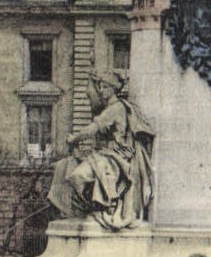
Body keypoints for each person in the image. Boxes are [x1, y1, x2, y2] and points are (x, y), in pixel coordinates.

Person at [49, 74, 155, 232]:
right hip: (103, 153)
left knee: (78, 175)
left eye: (104, 87)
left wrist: (74, 138)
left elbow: (92, 129)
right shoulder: (108, 108)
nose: (101, 90)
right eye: (99, 87)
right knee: (63, 167)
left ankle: (103, 207)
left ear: (113, 89)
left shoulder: (116, 108)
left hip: (116, 156)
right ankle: (87, 209)